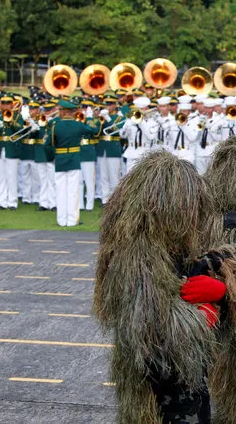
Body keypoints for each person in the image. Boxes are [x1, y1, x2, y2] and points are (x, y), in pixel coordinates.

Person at [93, 151, 218, 423]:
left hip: (185, 374)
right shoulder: (137, 256)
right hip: (161, 380)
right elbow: (152, 327)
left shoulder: (170, 248)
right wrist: (205, 315)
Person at [44, 99, 99, 226]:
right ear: (72, 112)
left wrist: (51, 157)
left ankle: (61, 220)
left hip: (60, 160)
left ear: (63, 112)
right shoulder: (78, 125)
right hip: (74, 159)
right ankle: (72, 220)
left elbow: (47, 145)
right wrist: (90, 119)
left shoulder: (55, 126)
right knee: (73, 191)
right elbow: (93, 131)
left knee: (60, 190)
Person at [0, 95, 26, 210]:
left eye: (8, 103)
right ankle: (1, 202)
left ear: (11, 104)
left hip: (11, 149)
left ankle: (12, 202)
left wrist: (10, 122)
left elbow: (20, 130)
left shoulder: (17, 116)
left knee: (11, 176)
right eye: (3, 103)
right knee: (0, 177)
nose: (5, 105)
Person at [98, 95, 125, 206]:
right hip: (102, 148)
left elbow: (117, 130)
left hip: (113, 148)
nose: (108, 106)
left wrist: (108, 119)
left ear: (115, 105)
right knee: (103, 175)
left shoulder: (119, 117)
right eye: (106, 104)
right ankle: (105, 199)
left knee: (114, 175)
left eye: (110, 104)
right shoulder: (102, 117)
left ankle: (115, 200)